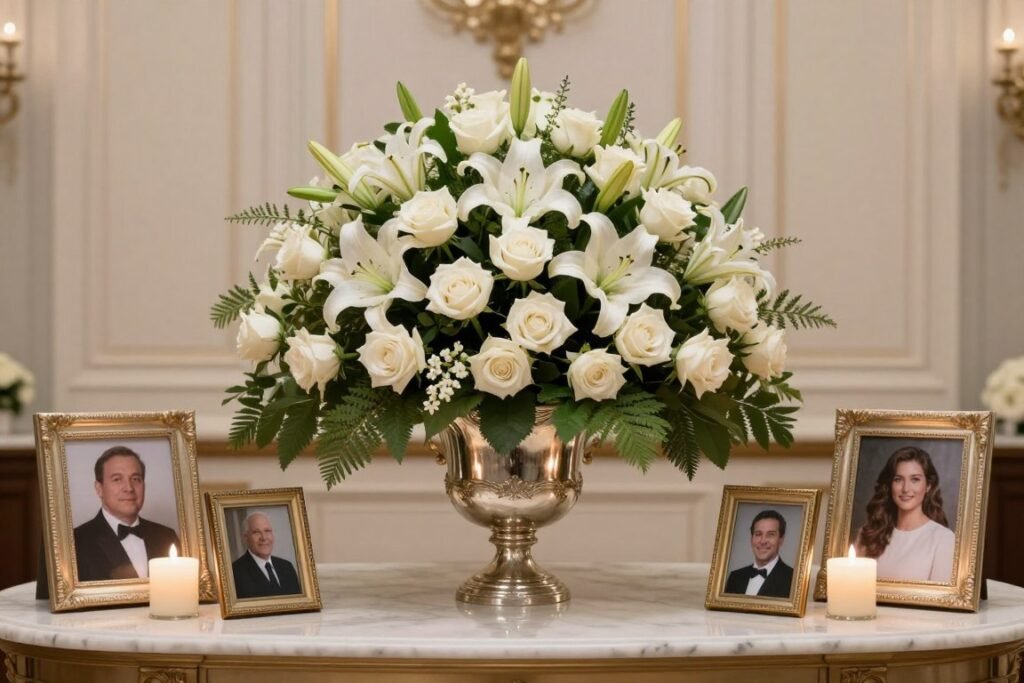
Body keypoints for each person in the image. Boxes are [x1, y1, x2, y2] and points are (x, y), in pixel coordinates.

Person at [73, 446, 180, 582]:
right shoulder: (75, 543)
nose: (129, 488)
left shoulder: (167, 536)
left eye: (135, 479)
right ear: (99, 488)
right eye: (117, 479)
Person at [855, 446, 955, 582]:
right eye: (898, 479)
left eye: (915, 479)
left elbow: (940, 600)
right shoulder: (868, 533)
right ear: (890, 485)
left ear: (928, 486)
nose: (906, 488)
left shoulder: (944, 539)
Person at [723, 509, 794, 598]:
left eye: (770, 534)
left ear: (781, 540)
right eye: (758, 534)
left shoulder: (793, 580)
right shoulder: (735, 577)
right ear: (751, 538)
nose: (763, 541)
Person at [232, 511, 302, 599]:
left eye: (267, 531)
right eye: (256, 532)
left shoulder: (287, 567)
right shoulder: (235, 572)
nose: (264, 538)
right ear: (246, 538)